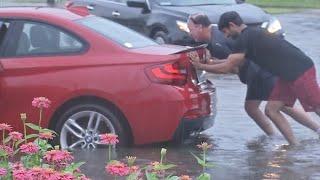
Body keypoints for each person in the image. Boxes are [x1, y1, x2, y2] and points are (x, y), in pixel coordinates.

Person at [188, 12, 320, 145]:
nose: (225, 36)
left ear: (232, 25)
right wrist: (208, 63)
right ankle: (294, 145)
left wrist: (200, 65)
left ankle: (315, 130)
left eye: (225, 31)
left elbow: (227, 67)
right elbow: (231, 62)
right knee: (271, 110)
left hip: (300, 69)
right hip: (285, 75)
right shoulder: (249, 36)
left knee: (316, 106)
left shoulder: (244, 38)